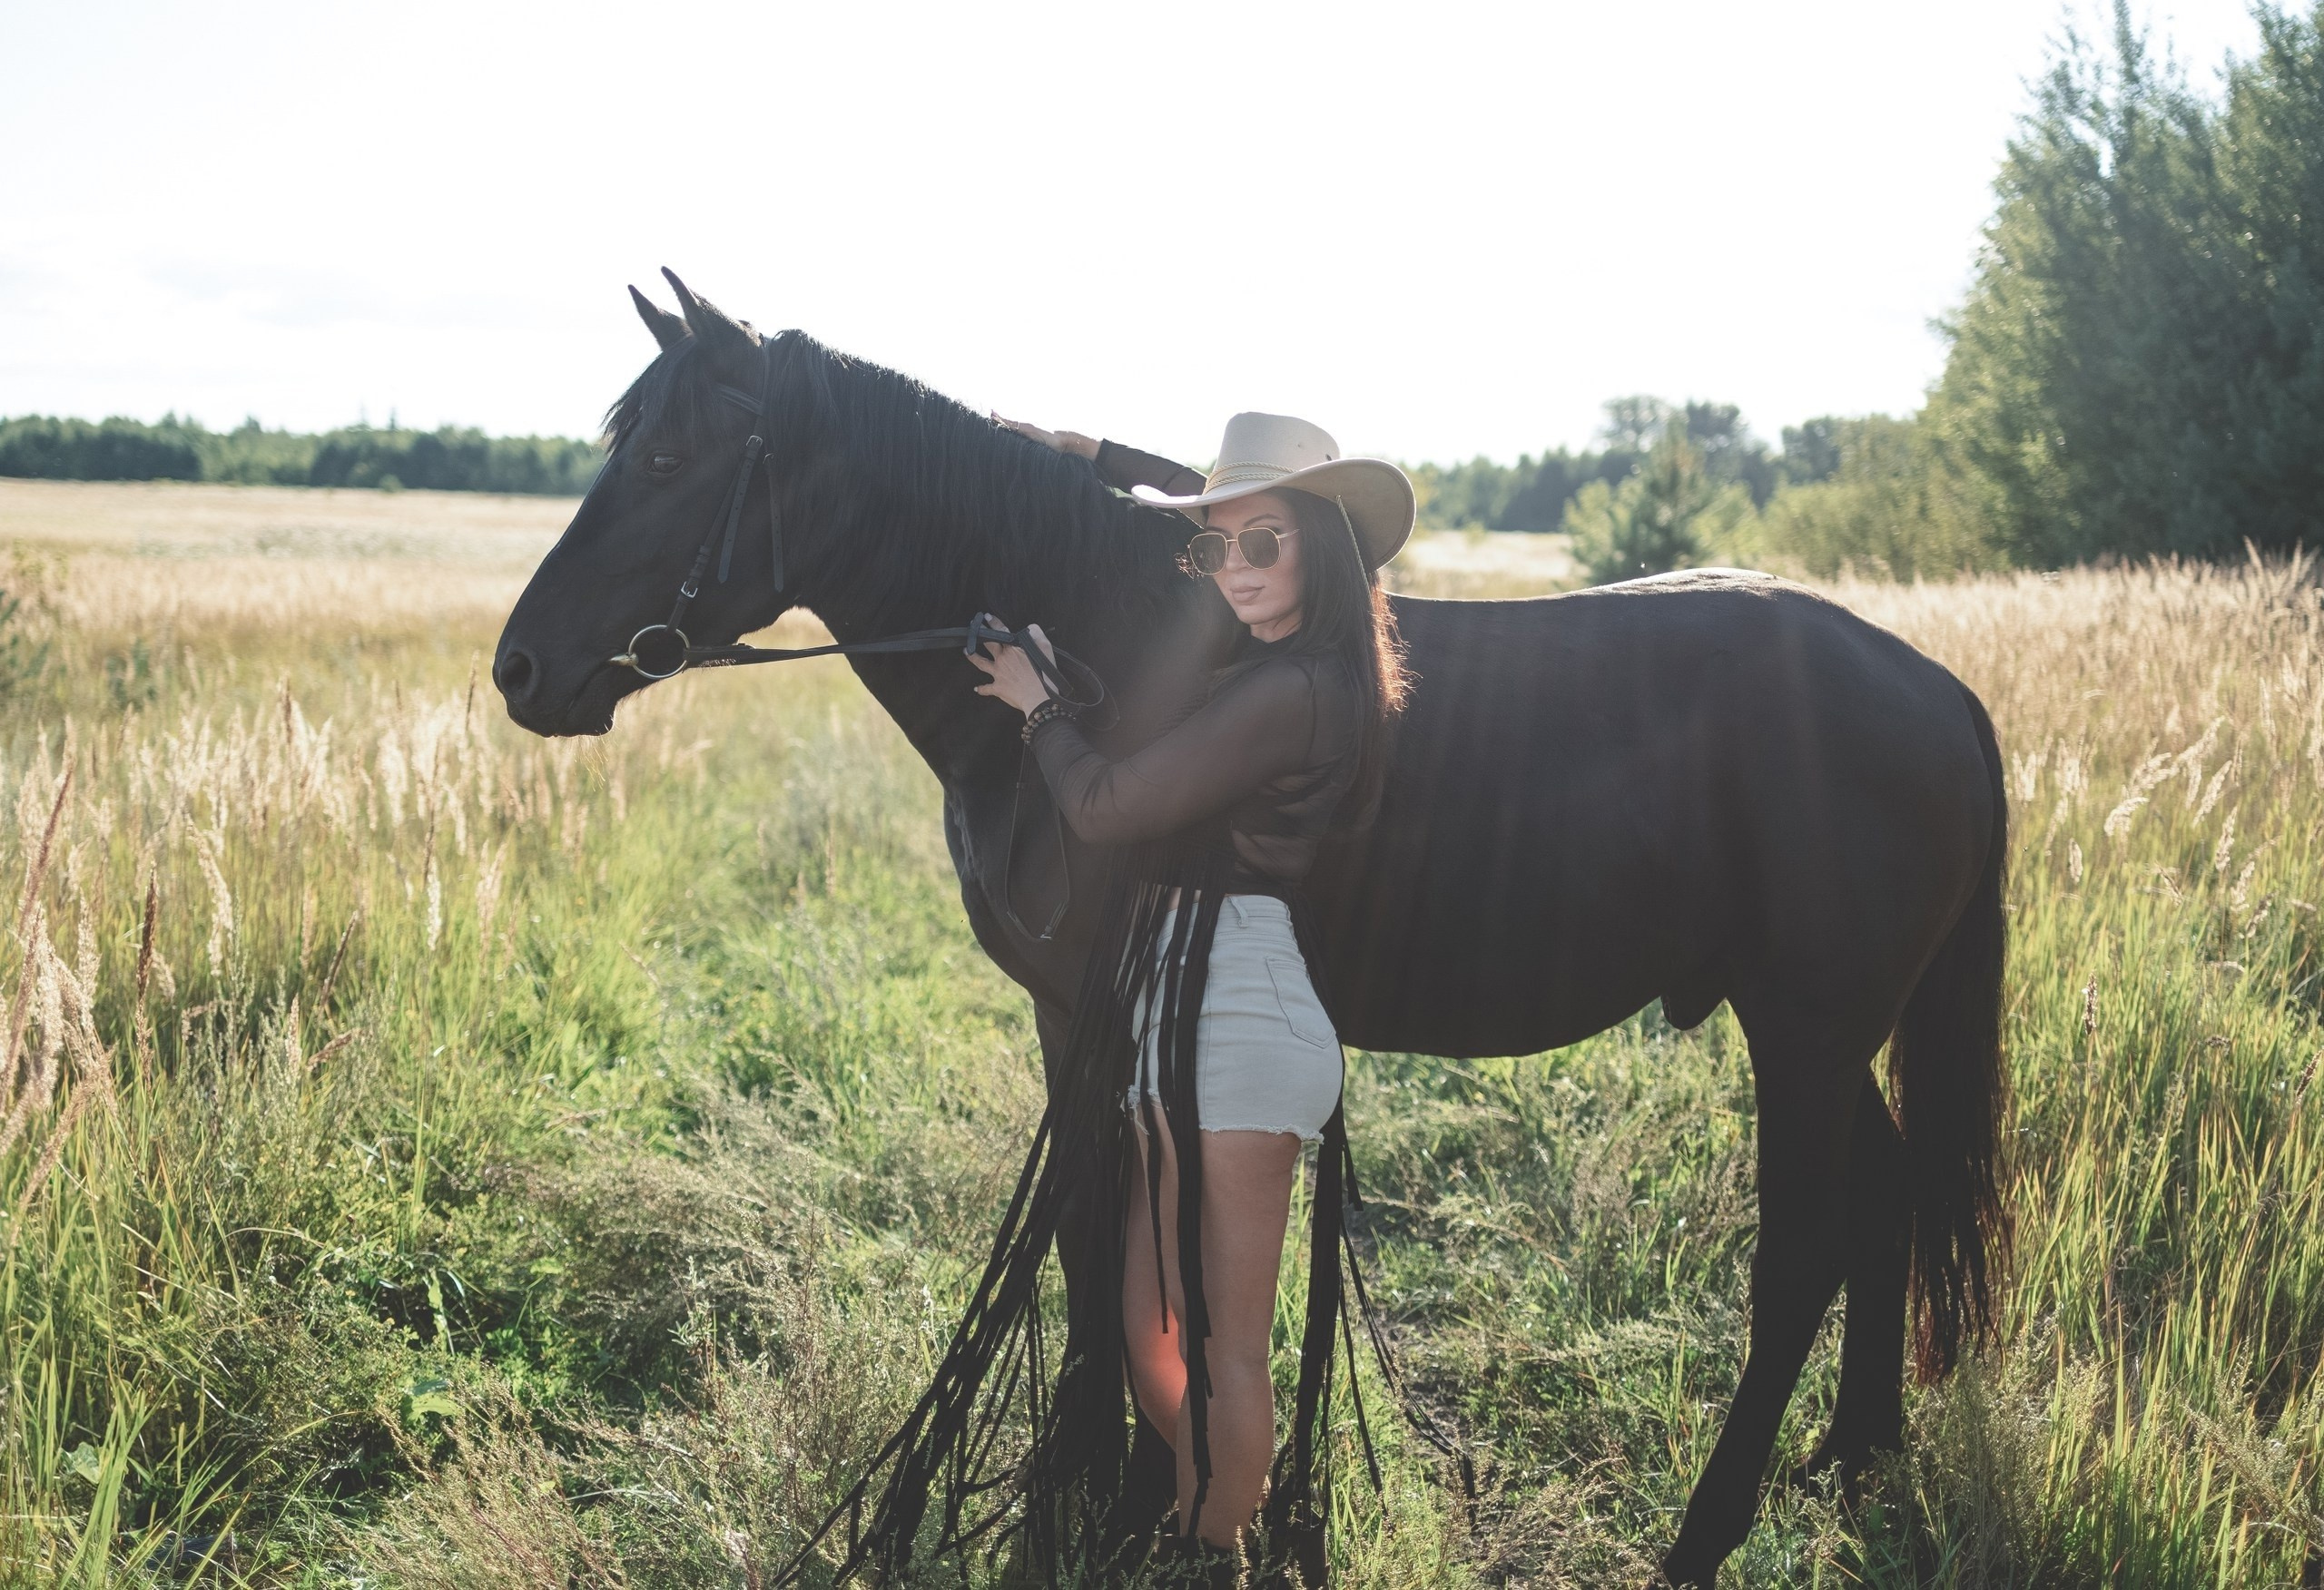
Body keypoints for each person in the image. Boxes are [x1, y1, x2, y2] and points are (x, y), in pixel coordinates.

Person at [793, 413, 1413, 1590]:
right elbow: (1191, 513)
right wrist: (1091, 459)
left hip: (1243, 1008)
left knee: (1224, 1346)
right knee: (1152, 1330)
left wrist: (1037, 707)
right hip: (1182, 1003)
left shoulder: (1297, 688)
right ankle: (1211, 1512)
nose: (1235, 571)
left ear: (1324, 547)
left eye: (1264, 544)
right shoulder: (1270, 661)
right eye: (1217, 550)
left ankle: (1214, 1558)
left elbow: (1108, 807)